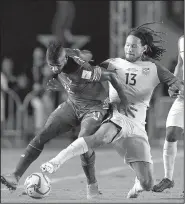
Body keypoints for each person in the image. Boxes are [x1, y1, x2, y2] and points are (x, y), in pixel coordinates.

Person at [40, 24, 184, 199]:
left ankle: (138, 184)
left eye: (134, 45)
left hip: (137, 126)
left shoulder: (154, 68)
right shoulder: (112, 63)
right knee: (100, 137)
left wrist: (176, 88)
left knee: (147, 183)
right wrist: (66, 74)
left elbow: (174, 82)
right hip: (117, 116)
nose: (129, 49)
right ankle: (56, 162)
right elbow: (85, 76)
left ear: (144, 48)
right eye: (127, 45)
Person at [1, 41, 135, 200]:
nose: (54, 69)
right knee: (43, 133)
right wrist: (63, 85)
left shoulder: (83, 71)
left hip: (94, 107)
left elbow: (111, 76)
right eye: (51, 65)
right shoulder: (64, 54)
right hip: (73, 104)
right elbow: (84, 56)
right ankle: (15, 177)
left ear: (64, 60)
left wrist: (124, 100)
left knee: (82, 142)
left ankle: (92, 186)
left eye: (57, 65)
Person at [152, 35, 184, 192]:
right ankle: (168, 178)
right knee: (171, 133)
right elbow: (180, 63)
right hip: (183, 98)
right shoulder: (182, 40)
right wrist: (174, 84)